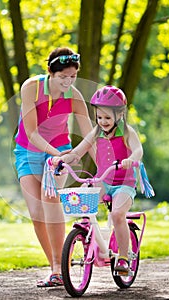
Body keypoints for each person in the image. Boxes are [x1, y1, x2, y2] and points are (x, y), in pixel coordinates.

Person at [13, 47, 94, 287]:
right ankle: (56, 269)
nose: (68, 82)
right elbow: (32, 132)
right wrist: (59, 154)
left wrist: (106, 167)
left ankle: (60, 268)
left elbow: (89, 135)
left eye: (73, 77)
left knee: (50, 198)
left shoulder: (75, 97)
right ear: (50, 72)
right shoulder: (31, 88)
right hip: (28, 151)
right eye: (63, 77)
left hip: (59, 151)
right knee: (36, 213)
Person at [52, 85, 143, 274]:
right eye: (99, 117)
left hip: (124, 184)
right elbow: (78, 151)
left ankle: (124, 258)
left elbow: (138, 150)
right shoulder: (96, 132)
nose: (103, 121)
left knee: (118, 214)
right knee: (85, 201)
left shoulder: (127, 132)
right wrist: (63, 159)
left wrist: (130, 160)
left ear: (120, 114)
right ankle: (89, 237)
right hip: (103, 180)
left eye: (108, 117)